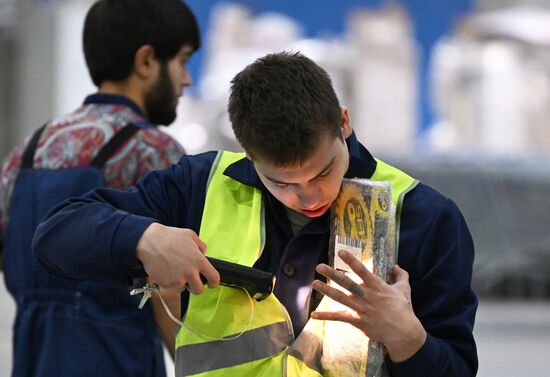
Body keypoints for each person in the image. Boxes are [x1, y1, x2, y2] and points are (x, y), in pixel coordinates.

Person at [33, 52, 478, 377]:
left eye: (323, 172)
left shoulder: (425, 218)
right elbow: (55, 235)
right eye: (282, 183)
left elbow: (456, 368)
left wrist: (407, 337)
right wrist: (142, 238)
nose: (306, 197)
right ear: (249, 152)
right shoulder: (200, 185)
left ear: (343, 122)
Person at [0, 0, 201, 375]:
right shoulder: (154, 152)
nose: (186, 80)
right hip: (118, 362)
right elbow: (169, 292)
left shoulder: (24, 152)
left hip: (31, 362)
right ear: (146, 62)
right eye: (183, 61)